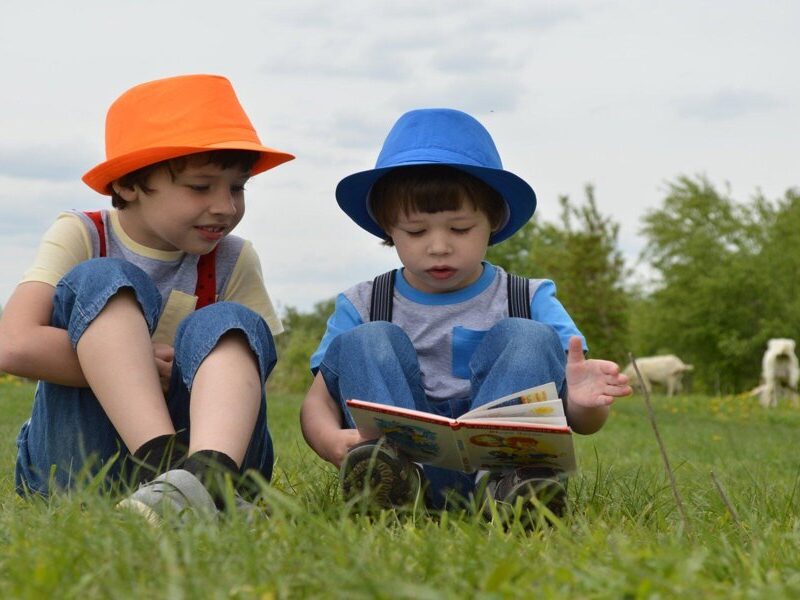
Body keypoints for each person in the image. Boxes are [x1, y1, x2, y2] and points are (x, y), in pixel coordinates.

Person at [300, 108, 631, 515]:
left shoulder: (530, 297)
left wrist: (584, 403)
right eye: (416, 231)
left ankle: (509, 492)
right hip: (401, 460)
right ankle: (391, 488)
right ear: (388, 228)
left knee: (527, 335)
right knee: (367, 340)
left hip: (506, 464)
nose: (439, 246)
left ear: (493, 221)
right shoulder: (363, 303)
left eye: (460, 229)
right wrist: (328, 440)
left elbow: (583, 421)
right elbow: (319, 402)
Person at [0, 74, 294, 521]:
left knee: (231, 322)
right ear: (128, 185)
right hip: (84, 463)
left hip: (216, 452)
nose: (226, 206)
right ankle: (170, 473)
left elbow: (249, 367)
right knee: (103, 278)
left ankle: (207, 477)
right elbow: (13, 344)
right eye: (201, 187)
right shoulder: (82, 233)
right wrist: (131, 365)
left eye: (237, 187)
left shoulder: (234, 258)